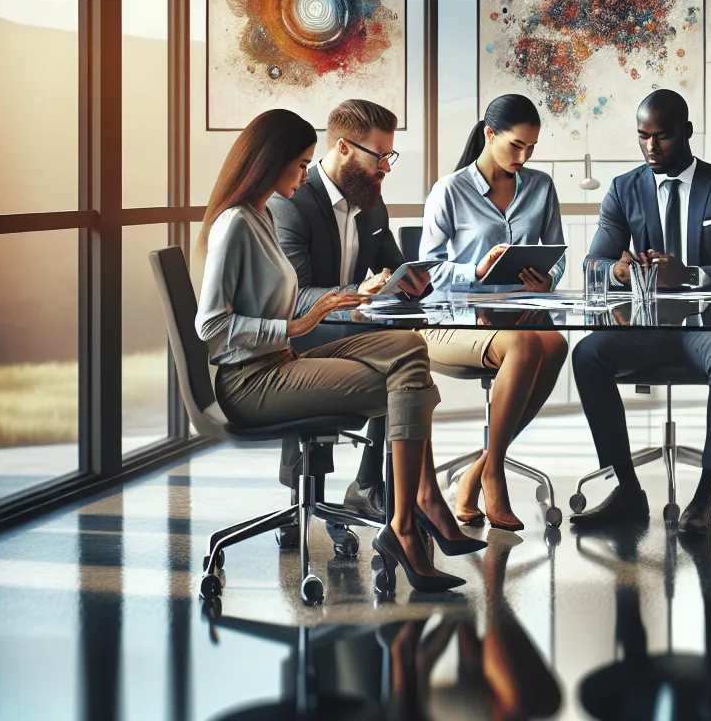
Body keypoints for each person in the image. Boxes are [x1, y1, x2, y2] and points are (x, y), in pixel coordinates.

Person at [195, 108, 469, 593]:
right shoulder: (236, 224)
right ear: (269, 161)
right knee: (404, 381)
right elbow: (210, 325)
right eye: (300, 164)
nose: (306, 173)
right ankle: (405, 524)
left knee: (409, 349)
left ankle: (408, 515)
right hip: (250, 381)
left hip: (280, 364)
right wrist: (296, 324)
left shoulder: (259, 215)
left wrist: (375, 290)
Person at [568, 89, 711, 538]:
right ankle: (628, 490)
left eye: (663, 136)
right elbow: (592, 263)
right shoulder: (624, 189)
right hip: (647, 327)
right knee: (587, 354)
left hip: (706, 324)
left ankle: (705, 493)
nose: (652, 146)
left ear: (687, 132)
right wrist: (618, 269)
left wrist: (692, 275)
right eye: (643, 137)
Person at [420, 94, 571, 531]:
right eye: (515, 146)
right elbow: (426, 271)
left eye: (531, 148)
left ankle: (481, 466)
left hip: (520, 313)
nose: (523, 157)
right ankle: (494, 475)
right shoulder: (450, 190)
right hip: (456, 320)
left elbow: (556, 254)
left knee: (557, 345)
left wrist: (549, 279)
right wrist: (475, 270)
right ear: (490, 135)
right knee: (526, 346)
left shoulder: (541, 187)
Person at [269, 99, 422, 530]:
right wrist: (359, 292)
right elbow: (294, 299)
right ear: (343, 148)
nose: (386, 167)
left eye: (390, 156)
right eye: (379, 156)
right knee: (400, 358)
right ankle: (302, 492)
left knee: (406, 353)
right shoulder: (292, 203)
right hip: (299, 334)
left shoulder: (372, 202)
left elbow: (392, 264)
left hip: (348, 329)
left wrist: (409, 280)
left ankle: (369, 486)